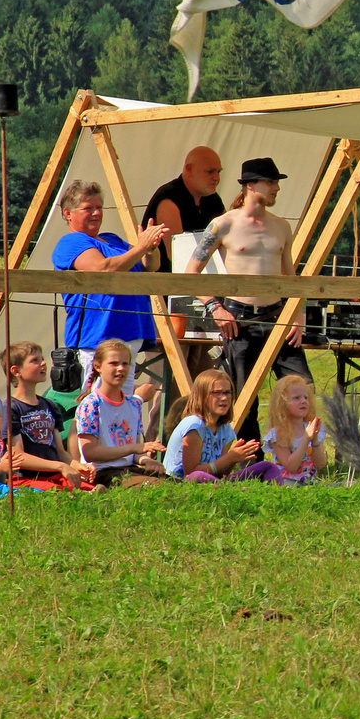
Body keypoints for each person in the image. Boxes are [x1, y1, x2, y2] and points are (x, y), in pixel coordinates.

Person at [184, 157, 313, 442]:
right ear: (251, 186)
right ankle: (251, 460)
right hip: (238, 319)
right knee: (244, 394)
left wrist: (297, 315)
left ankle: (300, 453)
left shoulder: (282, 226)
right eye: (271, 182)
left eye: (277, 182)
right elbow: (190, 274)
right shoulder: (223, 224)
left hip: (278, 315)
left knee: (302, 385)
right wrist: (214, 306)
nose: (276, 188)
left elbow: (289, 277)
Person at [51, 180, 170, 400]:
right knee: (95, 408)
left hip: (129, 336)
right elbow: (103, 269)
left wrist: (150, 249)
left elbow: (149, 267)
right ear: (68, 213)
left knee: (119, 408)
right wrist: (141, 247)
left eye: (99, 208)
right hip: (97, 340)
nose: (96, 213)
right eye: (88, 208)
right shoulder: (72, 242)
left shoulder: (113, 240)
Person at [0, 342, 94, 491]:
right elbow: (18, 456)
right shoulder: (12, 407)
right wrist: (59, 466)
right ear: (16, 371)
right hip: (25, 479)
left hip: (54, 474)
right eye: (35, 360)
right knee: (57, 494)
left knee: (89, 489)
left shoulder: (49, 405)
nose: (43, 363)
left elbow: (60, 452)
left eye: (42, 359)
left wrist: (78, 466)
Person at [74, 340, 167, 486]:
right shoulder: (92, 404)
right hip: (102, 472)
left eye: (125, 364)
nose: (121, 369)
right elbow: (90, 452)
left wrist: (147, 460)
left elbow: (135, 453)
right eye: (114, 363)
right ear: (98, 367)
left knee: (180, 486)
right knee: (157, 487)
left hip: (129, 469)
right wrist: (133, 448)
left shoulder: (133, 405)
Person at [163, 370, 282, 483]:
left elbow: (221, 472)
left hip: (214, 481)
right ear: (202, 396)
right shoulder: (194, 425)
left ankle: (278, 497)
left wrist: (234, 458)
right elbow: (190, 472)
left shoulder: (225, 428)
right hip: (181, 482)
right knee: (197, 475)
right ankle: (230, 490)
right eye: (217, 393)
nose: (224, 398)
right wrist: (229, 458)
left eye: (227, 392)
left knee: (268, 466)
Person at [142, 147, 225, 273]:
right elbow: (177, 254)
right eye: (210, 172)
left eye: (218, 172)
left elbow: (227, 237)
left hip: (206, 278)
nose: (216, 178)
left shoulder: (212, 199)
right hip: (172, 284)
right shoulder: (169, 198)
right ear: (189, 169)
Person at [263, 375, 326, 485]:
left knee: (349, 484)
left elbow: (321, 464)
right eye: (297, 398)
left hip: (310, 484)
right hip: (287, 483)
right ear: (282, 403)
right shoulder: (278, 434)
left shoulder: (310, 428)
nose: (303, 401)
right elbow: (291, 466)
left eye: (306, 397)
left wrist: (315, 439)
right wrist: (306, 438)